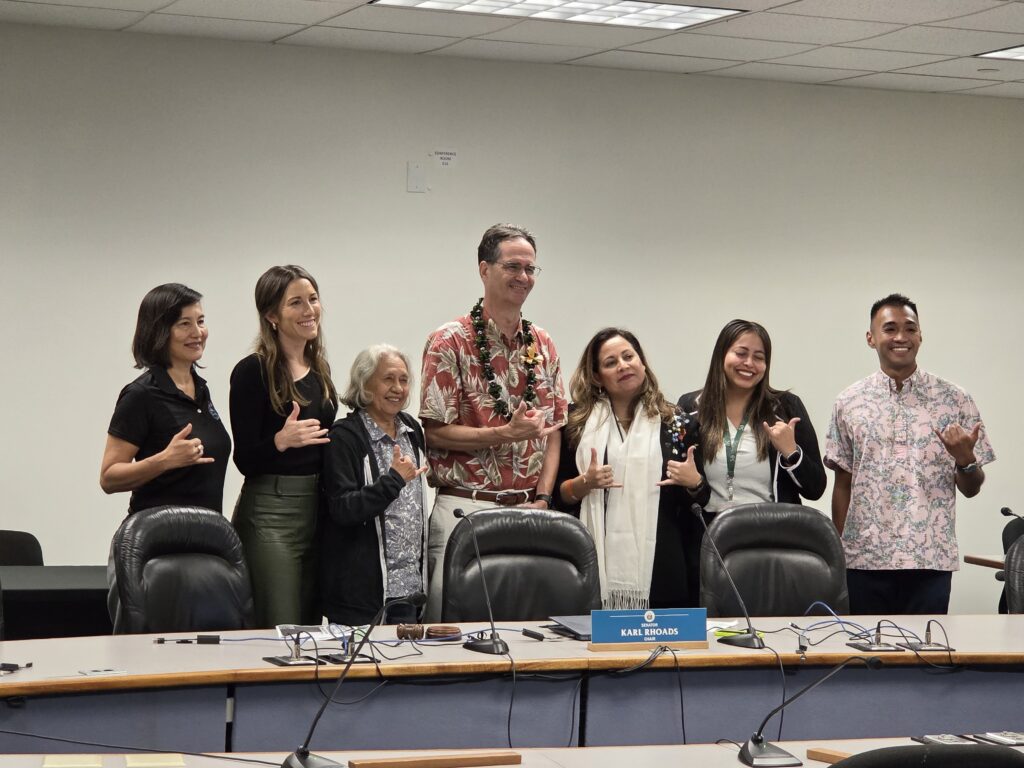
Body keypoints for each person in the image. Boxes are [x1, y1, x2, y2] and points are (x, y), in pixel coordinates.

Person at [419, 223, 568, 620]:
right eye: (513, 266)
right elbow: (433, 434)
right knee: (452, 634)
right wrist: (505, 433)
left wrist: (542, 498)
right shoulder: (449, 340)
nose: (524, 277)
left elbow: (553, 434)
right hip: (465, 509)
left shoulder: (543, 343)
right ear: (484, 269)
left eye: (531, 268)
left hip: (528, 512)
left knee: (527, 632)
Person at [825, 293, 995, 615]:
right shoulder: (848, 402)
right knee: (868, 658)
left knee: (927, 659)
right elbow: (842, 484)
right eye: (889, 329)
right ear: (871, 338)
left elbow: (972, 488)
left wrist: (965, 460)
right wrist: (840, 553)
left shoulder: (955, 400)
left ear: (920, 335)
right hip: (864, 560)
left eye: (910, 328)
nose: (900, 337)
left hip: (930, 560)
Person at [100, 283, 231, 622]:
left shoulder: (201, 390)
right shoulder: (141, 395)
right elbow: (109, 477)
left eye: (200, 321)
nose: (197, 332)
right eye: (184, 324)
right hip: (153, 547)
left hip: (204, 543)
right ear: (160, 331)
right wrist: (165, 460)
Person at [554, 328, 706, 609]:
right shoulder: (574, 423)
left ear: (642, 363)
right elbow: (557, 496)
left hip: (662, 564)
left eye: (628, 357)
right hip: (591, 560)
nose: (623, 366)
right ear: (597, 376)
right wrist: (584, 483)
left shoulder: (677, 424)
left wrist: (694, 482)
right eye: (611, 362)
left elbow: (700, 500)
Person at [229, 265, 337, 628]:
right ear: (272, 315)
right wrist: (280, 440)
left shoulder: (319, 370)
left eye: (313, 299)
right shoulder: (252, 371)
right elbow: (244, 458)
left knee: (309, 625)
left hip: (316, 511)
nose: (309, 310)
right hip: (271, 514)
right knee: (282, 627)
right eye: (296, 303)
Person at [320, 345, 428, 626]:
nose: (398, 388)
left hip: (409, 591)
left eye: (404, 380)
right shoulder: (344, 438)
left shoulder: (412, 430)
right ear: (364, 383)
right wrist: (393, 481)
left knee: (405, 668)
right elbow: (344, 509)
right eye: (388, 379)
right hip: (361, 596)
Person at [678, 319, 826, 515]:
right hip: (710, 535)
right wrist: (694, 485)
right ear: (721, 354)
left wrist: (792, 453)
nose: (749, 363)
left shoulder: (786, 407)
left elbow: (815, 489)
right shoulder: (691, 407)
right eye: (741, 353)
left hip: (771, 534)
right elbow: (677, 491)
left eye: (759, 357)